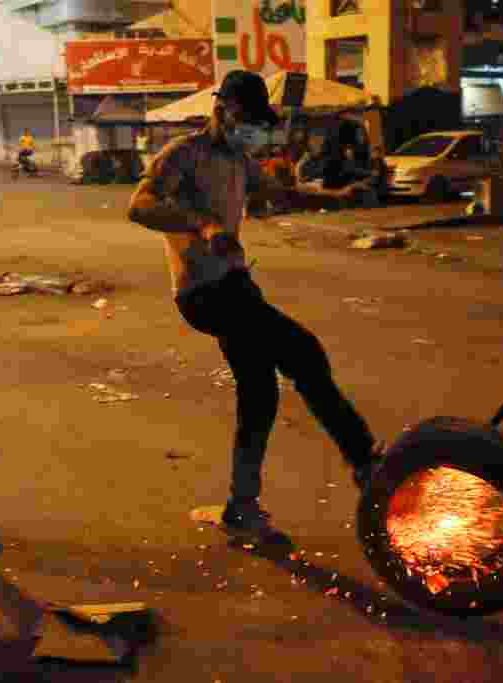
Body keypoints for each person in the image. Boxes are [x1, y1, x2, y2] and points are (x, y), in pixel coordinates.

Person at [127, 70, 383, 537]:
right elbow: (139, 206)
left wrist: (335, 196)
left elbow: (278, 194)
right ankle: (366, 462)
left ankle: (241, 505)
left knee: (260, 391)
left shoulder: (240, 160)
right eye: (246, 117)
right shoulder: (182, 154)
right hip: (203, 291)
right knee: (303, 351)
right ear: (221, 109)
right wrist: (203, 227)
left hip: (235, 285)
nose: (251, 129)